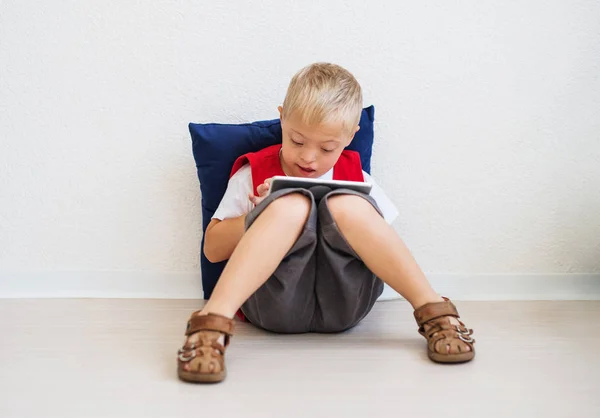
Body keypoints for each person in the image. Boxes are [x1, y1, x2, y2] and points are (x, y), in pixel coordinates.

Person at [177, 63, 476, 383]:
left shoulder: (358, 177)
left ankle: (435, 313)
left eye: (327, 148)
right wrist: (257, 213)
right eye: (297, 140)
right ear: (282, 118)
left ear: (350, 136)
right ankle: (211, 325)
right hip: (272, 304)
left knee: (347, 203)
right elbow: (213, 250)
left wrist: (346, 209)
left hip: (344, 302)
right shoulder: (253, 173)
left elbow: (382, 247)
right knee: (289, 204)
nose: (308, 158)